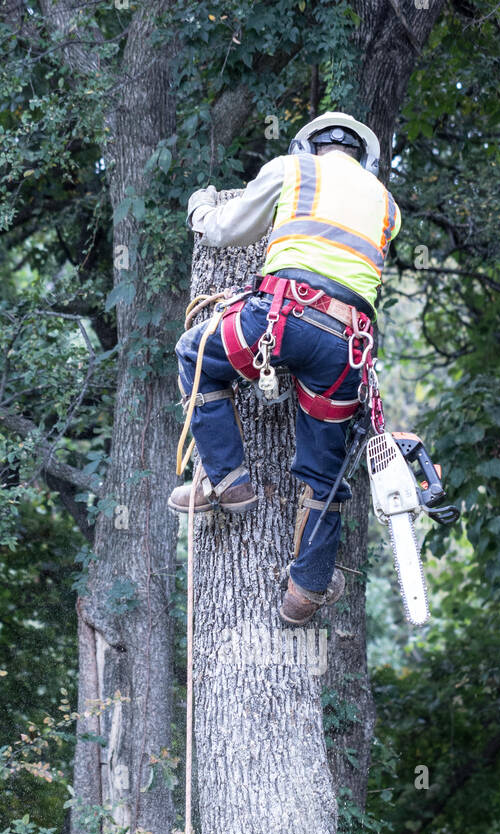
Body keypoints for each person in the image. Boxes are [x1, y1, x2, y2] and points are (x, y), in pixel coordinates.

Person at [168, 112, 401, 626]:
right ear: (363, 157)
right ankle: (306, 591)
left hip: (280, 318)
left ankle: (227, 481)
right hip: (347, 348)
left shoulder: (292, 170)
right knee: (326, 471)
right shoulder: (386, 203)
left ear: (310, 146)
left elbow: (226, 230)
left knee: (195, 353)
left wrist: (201, 210)